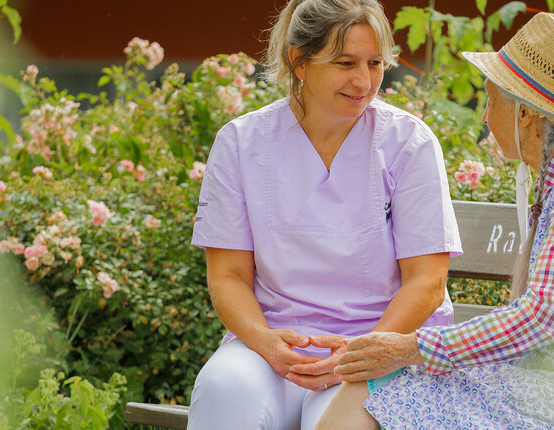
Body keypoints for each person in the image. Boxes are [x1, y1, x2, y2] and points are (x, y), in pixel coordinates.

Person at [312, 12, 554, 429]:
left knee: (380, 385)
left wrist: (412, 347)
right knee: (376, 386)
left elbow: (542, 316)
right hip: (549, 386)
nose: (485, 117)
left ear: (524, 114)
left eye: (491, 100)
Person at [188, 0, 462, 428]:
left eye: (374, 63)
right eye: (345, 63)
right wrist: (264, 341)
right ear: (299, 62)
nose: (364, 81)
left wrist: (363, 353)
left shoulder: (409, 143)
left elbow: (427, 280)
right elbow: (228, 276)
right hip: (272, 344)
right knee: (226, 393)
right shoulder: (241, 143)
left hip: (379, 346)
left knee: (337, 421)